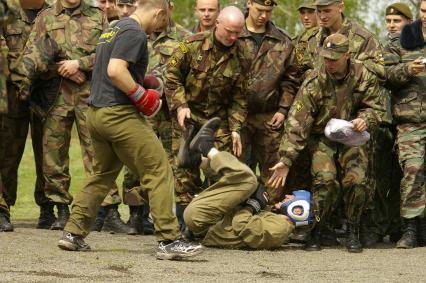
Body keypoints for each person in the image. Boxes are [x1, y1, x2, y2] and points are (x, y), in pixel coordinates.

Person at [57, 0, 203, 260]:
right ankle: (169, 240)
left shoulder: (112, 28)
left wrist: (141, 80)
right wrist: (140, 95)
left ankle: (73, 233)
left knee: (101, 174)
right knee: (159, 170)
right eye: (164, 20)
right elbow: (115, 70)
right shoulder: (134, 32)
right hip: (119, 114)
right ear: (158, 13)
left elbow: (107, 68)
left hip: (96, 113)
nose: (162, 25)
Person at [268, 34, 387, 253]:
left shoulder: (363, 75)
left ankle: (353, 228)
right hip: (322, 138)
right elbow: (297, 122)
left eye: (334, 59)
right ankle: (318, 228)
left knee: (357, 180)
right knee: (324, 179)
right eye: (326, 58)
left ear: (347, 56)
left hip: (353, 136)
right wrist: (286, 159)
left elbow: (377, 108)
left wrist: (366, 119)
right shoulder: (315, 80)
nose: (329, 63)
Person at [11, 0, 108, 230]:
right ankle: (61, 208)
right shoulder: (45, 17)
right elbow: (32, 55)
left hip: (90, 94)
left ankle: (101, 211)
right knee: (54, 154)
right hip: (56, 95)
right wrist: (62, 68)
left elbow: (108, 52)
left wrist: (80, 64)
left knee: (97, 152)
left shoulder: (98, 16)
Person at [165, 6, 248, 223]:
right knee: (185, 173)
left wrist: (236, 128)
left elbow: (240, 98)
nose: (233, 37)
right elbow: (172, 78)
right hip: (189, 117)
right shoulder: (192, 45)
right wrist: (180, 105)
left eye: (238, 32)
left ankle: (214, 225)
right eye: (229, 31)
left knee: (221, 170)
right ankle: (184, 226)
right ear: (217, 23)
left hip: (217, 121)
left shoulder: (242, 54)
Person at [181, 117, 312, 249]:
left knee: (248, 180)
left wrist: (252, 205)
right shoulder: (276, 220)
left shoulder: (281, 228)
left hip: (202, 221)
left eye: (292, 198)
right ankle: (196, 160)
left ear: (298, 210)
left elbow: (240, 223)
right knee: (242, 180)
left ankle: (205, 146)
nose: (287, 197)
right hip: (203, 218)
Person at [362, 2, 413, 247]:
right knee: (380, 176)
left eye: (397, 21)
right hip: (384, 119)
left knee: (406, 176)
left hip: (407, 118)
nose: (392, 25)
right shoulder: (382, 47)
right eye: (389, 21)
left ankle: (402, 225)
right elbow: (378, 74)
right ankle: (381, 224)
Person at [237, 0, 299, 203]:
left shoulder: (282, 41)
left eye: (268, 11)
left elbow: (291, 80)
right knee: (235, 170)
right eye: (260, 10)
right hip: (238, 116)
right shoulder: (234, 34)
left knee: (273, 171)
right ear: (249, 4)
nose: (264, 15)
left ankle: (272, 218)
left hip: (269, 116)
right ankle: (232, 218)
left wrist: (283, 109)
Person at [0, 0, 50, 231]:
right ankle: (2, 208)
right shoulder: (7, 13)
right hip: (10, 94)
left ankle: (49, 207)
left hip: (47, 93)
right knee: (7, 152)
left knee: (48, 152)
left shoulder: (53, 14)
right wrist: (22, 79)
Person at [385, 0, 426, 249]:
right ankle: (410, 226)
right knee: (413, 169)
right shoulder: (402, 39)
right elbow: (385, 75)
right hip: (410, 120)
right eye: (423, 11)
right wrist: (407, 70)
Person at [301, 0, 384, 78]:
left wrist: (348, 70)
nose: (322, 16)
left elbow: (381, 72)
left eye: (327, 11)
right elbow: (302, 72)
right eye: (319, 11)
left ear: (340, 7)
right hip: (320, 92)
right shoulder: (314, 39)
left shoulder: (364, 38)